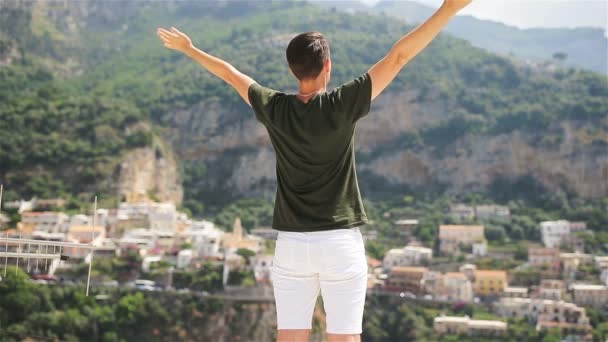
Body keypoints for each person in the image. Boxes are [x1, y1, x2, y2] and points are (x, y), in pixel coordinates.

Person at [157, 0, 472, 340]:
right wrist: (448, 9)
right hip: (339, 242)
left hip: (292, 244)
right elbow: (398, 57)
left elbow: (230, 74)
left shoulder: (275, 108)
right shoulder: (341, 104)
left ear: (293, 69)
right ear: (328, 66)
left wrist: (189, 49)